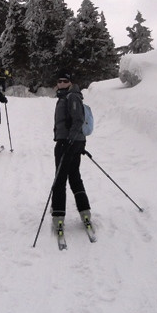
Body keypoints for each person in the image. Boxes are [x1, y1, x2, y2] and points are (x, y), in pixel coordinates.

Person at [51, 70, 91, 233]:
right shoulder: (65, 97)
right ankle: (84, 212)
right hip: (72, 142)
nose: (61, 83)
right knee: (74, 177)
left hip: (67, 143)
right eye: (59, 81)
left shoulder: (72, 97)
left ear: (70, 83)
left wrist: (69, 141)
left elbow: (78, 120)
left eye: (64, 81)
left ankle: (58, 215)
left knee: (60, 179)